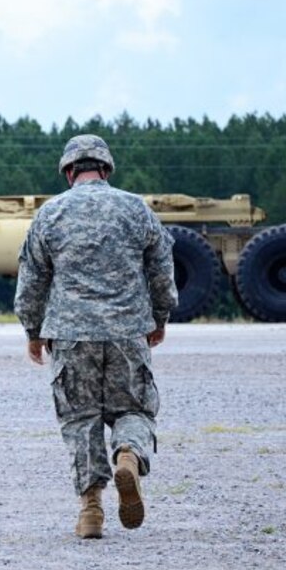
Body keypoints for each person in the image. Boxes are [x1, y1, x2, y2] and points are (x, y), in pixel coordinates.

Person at [14, 134, 177, 539]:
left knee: (80, 418)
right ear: (105, 169)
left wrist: (32, 331)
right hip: (127, 331)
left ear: (69, 171)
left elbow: (32, 279)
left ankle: (91, 511)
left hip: (70, 336)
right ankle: (127, 456)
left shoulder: (50, 214)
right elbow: (161, 268)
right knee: (135, 409)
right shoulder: (136, 209)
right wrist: (160, 316)